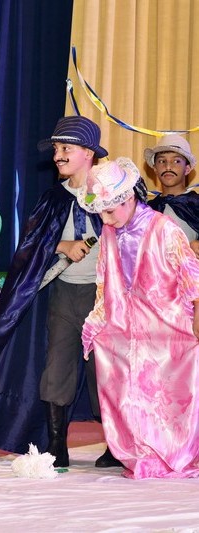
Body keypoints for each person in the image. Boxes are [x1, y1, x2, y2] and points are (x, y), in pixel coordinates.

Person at [0, 116, 121, 468]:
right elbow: (32, 246)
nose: (58, 156)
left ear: (88, 153)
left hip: (106, 298)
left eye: (66, 148)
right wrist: (62, 245)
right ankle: (56, 442)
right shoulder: (54, 199)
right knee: (57, 365)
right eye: (56, 149)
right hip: (64, 294)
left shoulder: (112, 194)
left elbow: (132, 237)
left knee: (105, 370)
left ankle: (116, 444)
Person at [79, 157, 199, 479]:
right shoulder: (110, 232)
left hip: (167, 328)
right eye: (101, 212)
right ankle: (141, 454)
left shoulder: (164, 229)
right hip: (126, 327)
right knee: (129, 391)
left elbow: (192, 275)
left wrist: (197, 314)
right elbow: (104, 279)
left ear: (129, 198)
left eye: (109, 210)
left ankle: (175, 455)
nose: (105, 218)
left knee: (168, 395)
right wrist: (98, 320)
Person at [145, 134, 199, 255]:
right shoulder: (147, 209)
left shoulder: (196, 204)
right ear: (155, 168)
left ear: (187, 169)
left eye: (176, 161)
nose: (168, 166)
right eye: (162, 161)